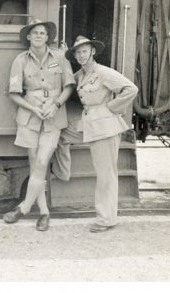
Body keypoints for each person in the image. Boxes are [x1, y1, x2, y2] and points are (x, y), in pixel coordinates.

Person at [51, 35, 138, 233]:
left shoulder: (103, 72)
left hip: (105, 128)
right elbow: (67, 81)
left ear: (92, 52)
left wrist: (111, 108)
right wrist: (63, 59)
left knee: (106, 175)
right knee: (60, 135)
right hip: (89, 124)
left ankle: (106, 219)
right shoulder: (81, 74)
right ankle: (62, 173)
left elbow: (131, 89)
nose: (81, 55)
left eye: (84, 51)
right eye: (77, 52)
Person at [2, 19, 75, 231]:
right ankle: (44, 213)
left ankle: (23, 208)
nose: (38, 36)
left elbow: (69, 86)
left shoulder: (60, 58)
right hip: (29, 116)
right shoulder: (20, 60)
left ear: (47, 37)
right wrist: (33, 109)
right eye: (34, 33)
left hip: (54, 115)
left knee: (42, 162)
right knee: (35, 164)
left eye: (42, 33)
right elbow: (14, 93)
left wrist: (56, 104)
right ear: (28, 36)